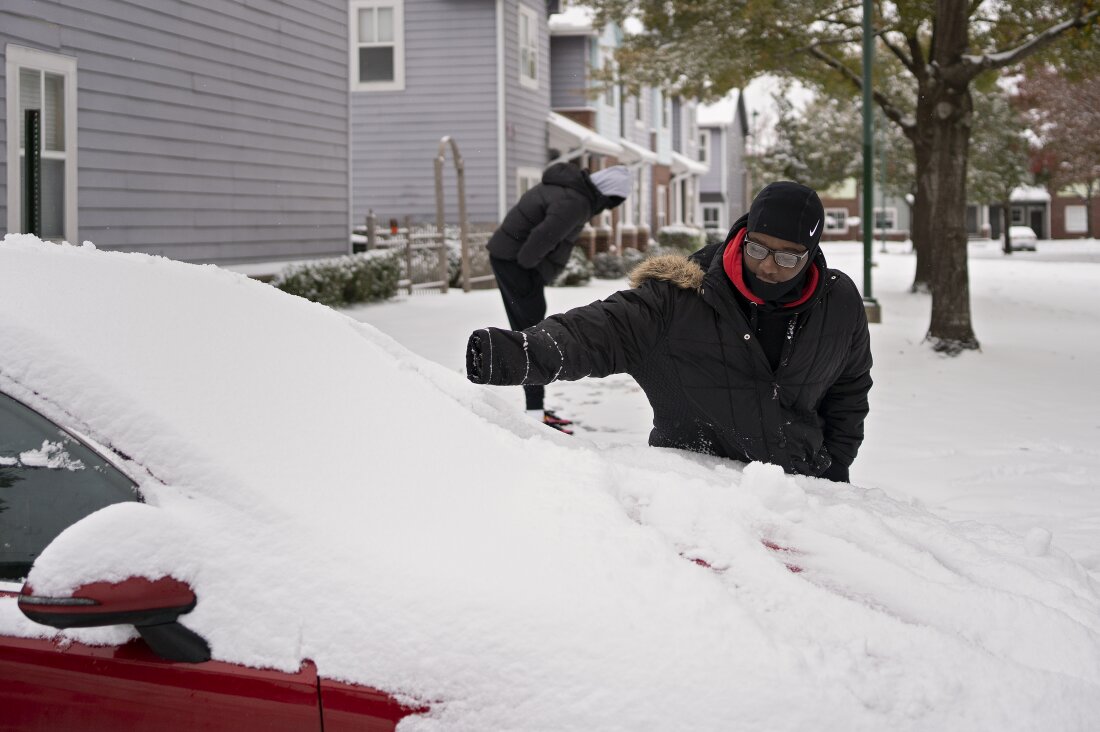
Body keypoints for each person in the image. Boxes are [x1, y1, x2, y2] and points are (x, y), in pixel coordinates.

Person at [466, 181, 872, 482]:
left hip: (802, 500)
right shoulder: (681, 299)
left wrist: (834, 466)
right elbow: (600, 331)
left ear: (812, 252)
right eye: (758, 248)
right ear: (743, 235)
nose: (768, 266)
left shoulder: (838, 304)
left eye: (787, 258)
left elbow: (849, 390)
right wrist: (517, 352)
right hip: (694, 496)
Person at [485, 161, 631, 434]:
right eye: (613, 202)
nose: (608, 209)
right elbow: (543, 236)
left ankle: (536, 409)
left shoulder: (571, 191)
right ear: (608, 194)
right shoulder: (576, 200)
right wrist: (533, 270)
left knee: (529, 331)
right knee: (530, 336)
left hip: (509, 259)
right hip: (516, 264)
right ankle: (535, 413)